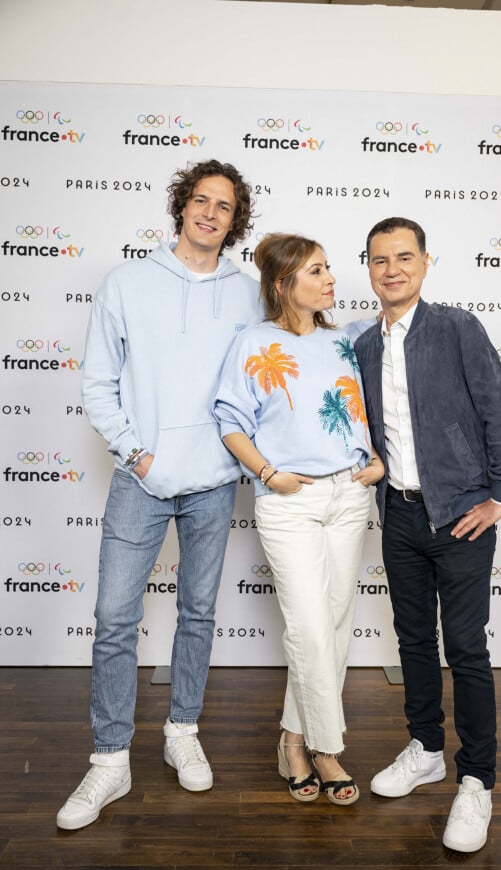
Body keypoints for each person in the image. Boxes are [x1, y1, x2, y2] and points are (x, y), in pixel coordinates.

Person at [56, 160, 263, 830]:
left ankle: (182, 731)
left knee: (198, 613)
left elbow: (265, 379)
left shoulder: (249, 292)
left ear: (236, 221)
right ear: (181, 208)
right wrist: (134, 450)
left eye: (224, 206)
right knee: (116, 617)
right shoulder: (127, 283)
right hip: (139, 480)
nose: (210, 213)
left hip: (214, 481)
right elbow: (98, 382)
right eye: (200, 201)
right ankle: (110, 759)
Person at [354, 217, 501, 851]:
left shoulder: (457, 327)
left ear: (426, 263)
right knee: (412, 641)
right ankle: (426, 746)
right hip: (399, 515)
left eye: (404, 257)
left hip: (459, 514)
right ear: (367, 268)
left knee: (466, 649)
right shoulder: (363, 345)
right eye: (379, 259)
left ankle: (477, 780)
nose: (392, 268)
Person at [213, 233, 384, 806]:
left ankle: (291, 739)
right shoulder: (254, 342)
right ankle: (327, 748)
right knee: (310, 628)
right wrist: (268, 473)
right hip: (290, 500)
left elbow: (371, 407)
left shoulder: (345, 341)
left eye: (330, 268)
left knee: (332, 628)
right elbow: (230, 420)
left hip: (349, 497)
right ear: (284, 284)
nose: (332, 278)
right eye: (317, 270)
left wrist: (376, 458)